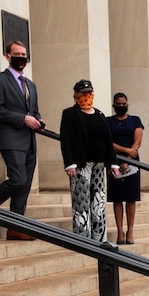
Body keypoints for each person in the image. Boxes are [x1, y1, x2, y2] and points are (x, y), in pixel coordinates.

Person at [0, 41, 45, 240]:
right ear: (8, 56)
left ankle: (15, 225)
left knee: (24, 185)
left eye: (24, 54)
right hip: (11, 139)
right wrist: (23, 119)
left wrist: (38, 119)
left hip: (29, 141)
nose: (21, 58)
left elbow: (33, 110)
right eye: (17, 54)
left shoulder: (30, 84)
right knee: (17, 180)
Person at [60, 80, 120, 241]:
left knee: (98, 201)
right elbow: (65, 140)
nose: (87, 97)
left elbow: (108, 139)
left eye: (89, 93)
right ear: (76, 96)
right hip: (81, 164)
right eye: (83, 94)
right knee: (81, 201)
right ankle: (83, 239)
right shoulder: (70, 114)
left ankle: (99, 238)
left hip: (99, 164)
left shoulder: (99, 114)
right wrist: (69, 163)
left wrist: (113, 162)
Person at [106, 92, 144, 244]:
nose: (121, 106)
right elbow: (107, 141)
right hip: (114, 161)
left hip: (132, 164)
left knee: (130, 198)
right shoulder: (108, 121)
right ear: (113, 105)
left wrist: (128, 159)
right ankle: (120, 232)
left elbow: (137, 142)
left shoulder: (135, 120)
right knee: (117, 198)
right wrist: (125, 151)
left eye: (123, 104)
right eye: (118, 104)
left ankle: (130, 231)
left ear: (127, 105)